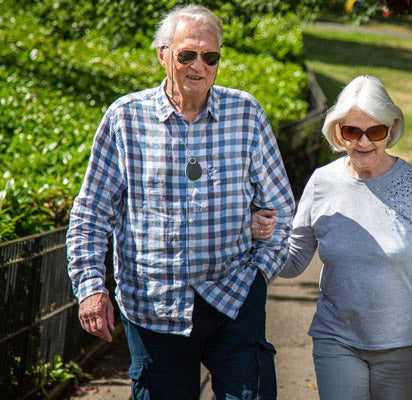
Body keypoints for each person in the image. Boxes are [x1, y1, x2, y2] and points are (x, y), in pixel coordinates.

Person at [66, 5, 294, 400]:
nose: (198, 66)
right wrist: (90, 287)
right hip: (153, 306)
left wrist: (258, 276)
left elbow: (281, 209)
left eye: (211, 57)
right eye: (186, 54)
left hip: (234, 294)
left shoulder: (246, 114)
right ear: (162, 55)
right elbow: (91, 213)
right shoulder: (125, 119)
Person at [252, 75, 412, 400]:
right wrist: (265, 235)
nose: (363, 142)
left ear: (391, 130)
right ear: (338, 131)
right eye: (352, 131)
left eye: (374, 131)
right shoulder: (322, 183)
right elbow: (292, 263)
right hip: (337, 339)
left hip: (403, 346)